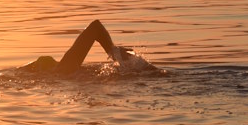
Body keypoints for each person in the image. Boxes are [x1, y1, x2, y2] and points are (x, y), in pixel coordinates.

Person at [20, 19, 156, 74]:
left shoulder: (64, 68)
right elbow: (96, 26)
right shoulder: (65, 68)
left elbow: (95, 26)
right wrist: (113, 50)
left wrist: (114, 51)